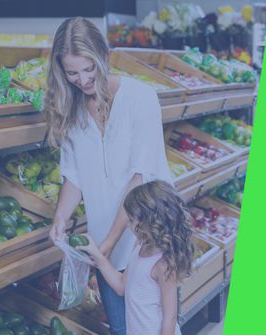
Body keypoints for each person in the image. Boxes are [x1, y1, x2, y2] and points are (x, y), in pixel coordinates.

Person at [44, 17, 173, 335]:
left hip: (148, 240)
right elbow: (74, 177)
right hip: (105, 241)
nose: (83, 80)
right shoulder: (72, 112)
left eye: (89, 68)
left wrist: (109, 244)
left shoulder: (139, 99)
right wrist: (60, 216)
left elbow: (140, 177)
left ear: (103, 56)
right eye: (72, 73)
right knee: (120, 327)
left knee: (154, 324)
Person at [77, 180, 195, 335]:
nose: (127, 225)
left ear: (150, 221)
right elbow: (121, 287)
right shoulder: (139, 246)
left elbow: (170, 318)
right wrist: (97, 256)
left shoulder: (163, 264)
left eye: (131, 220)